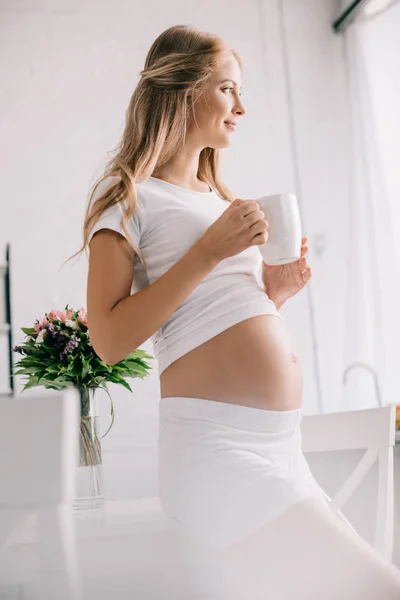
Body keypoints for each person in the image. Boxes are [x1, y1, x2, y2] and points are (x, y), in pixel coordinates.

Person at [72, 24, 400, 599]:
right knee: (377, 586)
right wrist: (210, 251)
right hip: (216, 454)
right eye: (228, 90)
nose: (241, 107)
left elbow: (206, 319)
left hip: (281, 449)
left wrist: (271, 293)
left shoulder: (215, 200)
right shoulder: (128, 197)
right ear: (183, 89)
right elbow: (108, 340)